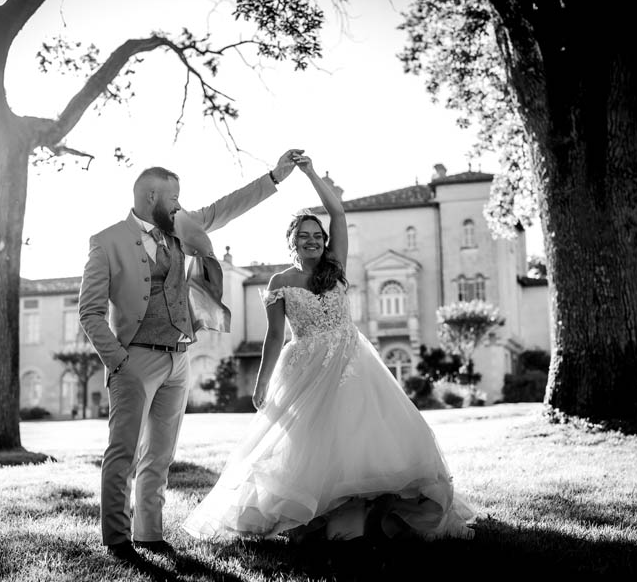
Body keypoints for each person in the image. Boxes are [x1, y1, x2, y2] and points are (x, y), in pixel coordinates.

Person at [183, 153, 477, 543]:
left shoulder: (334, 266)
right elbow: (274, 337)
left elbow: (337, 214)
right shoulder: (278, 282)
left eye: (316, 235)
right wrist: (261, 384)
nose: (312, 240)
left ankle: (371, 508)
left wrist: (308, 174)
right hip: (304, 367)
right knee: (307, 447)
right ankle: (316, 516)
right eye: (303, 235)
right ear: (291, 242)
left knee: (361, 435)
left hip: (353, 362)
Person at [78, 149, 303, 566]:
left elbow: (228, 207)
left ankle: (149, 533)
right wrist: (118, 361)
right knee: (123, 452)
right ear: (150, 198)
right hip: (134, 360)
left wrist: (274, 176)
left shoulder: (180, 227)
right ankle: (116, 538)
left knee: (160, 455)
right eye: (174, 198)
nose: (181, 205)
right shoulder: (106, 241)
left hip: (178, 359)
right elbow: (89, 311)